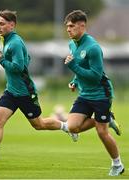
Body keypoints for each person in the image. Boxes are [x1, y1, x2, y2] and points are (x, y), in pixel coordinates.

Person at [0, 9, 76, 166]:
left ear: (12, 25)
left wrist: (1, 60)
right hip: (11, 91)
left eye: (2, 24)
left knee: (39, 124)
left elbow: (18, 67)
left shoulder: (14, 42)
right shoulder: (7, 40)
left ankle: (67, 126)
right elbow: (26, 58)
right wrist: (6, 60)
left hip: (25, 92)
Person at [62, 10, 124, 176]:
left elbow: (96, 76)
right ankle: (107, 118)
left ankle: (117, 164)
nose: (68, 29)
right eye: (67, 26)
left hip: (101, 94)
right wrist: (75, 81)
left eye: (71, 26)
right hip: (85, 94)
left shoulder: (93, 47)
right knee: (72, 127)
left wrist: (73, 66)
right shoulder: (72, 44)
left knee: (102, 132)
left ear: (82, 26)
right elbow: (82, 68)